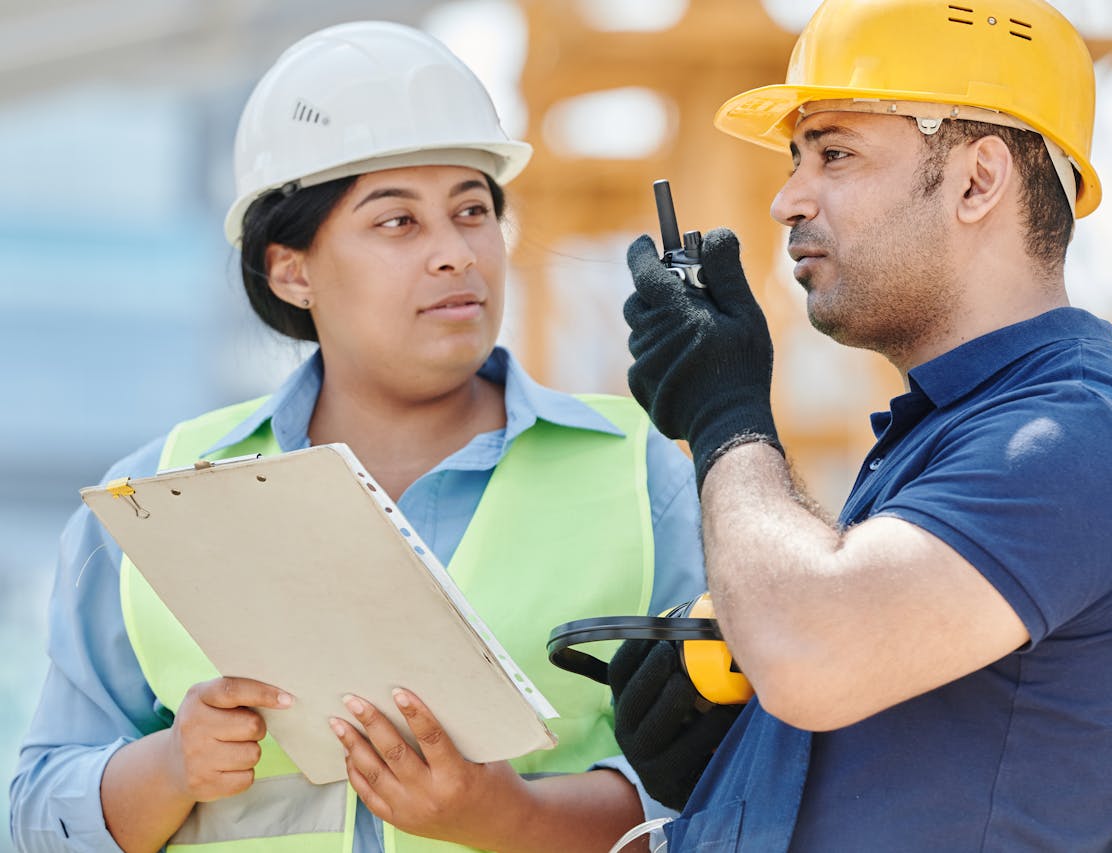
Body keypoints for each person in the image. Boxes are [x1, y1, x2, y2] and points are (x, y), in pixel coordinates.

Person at [9, 21, 704, 853]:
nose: (456, 254)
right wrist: (169, 769)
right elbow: (35, 818)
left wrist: (507, 817)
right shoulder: (155, 497)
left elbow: (727, 787)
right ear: (291, 269)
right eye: (398, 223)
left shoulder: (641, 476)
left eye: (473, 211)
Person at [614, 0, 1112, 849]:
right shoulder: (947, 441)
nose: (788, 198)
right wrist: (740, 769)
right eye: (797, 159)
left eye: (834, 152)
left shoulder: (1070, 442)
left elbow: (809, 647)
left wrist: (726, 415)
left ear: (978, 179)